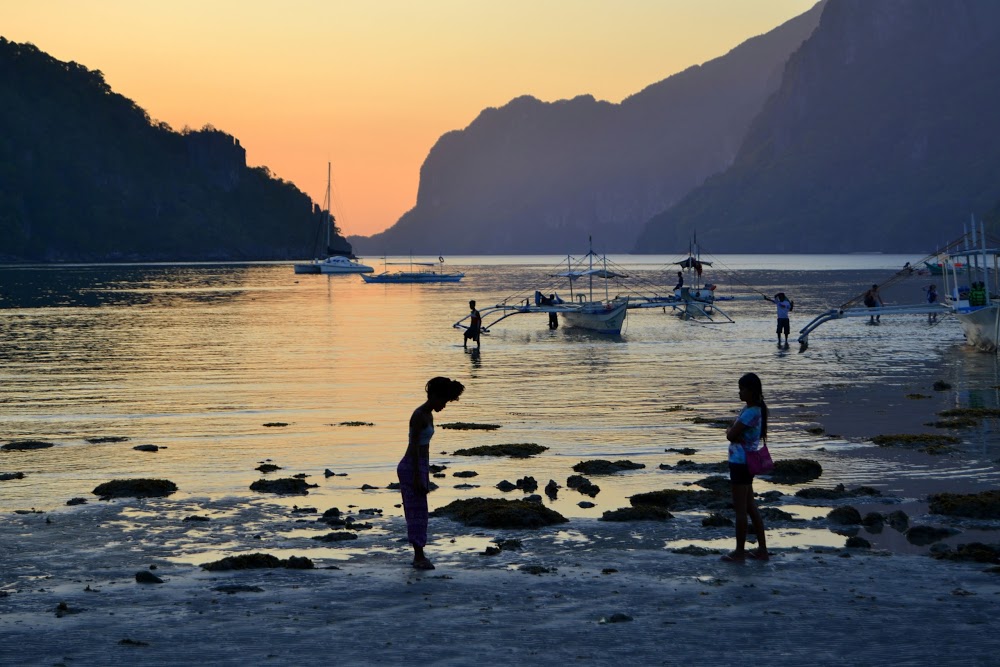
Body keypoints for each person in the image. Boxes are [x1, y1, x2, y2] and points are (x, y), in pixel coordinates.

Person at [397, 376, 465, 570]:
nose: (444, 405)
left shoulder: (429, 415)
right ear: (434, 396)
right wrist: (418, 475)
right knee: (415, 513)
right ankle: (418, 556)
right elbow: (414, 446)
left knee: (422, 512)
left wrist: (426, 469)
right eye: (443, 401)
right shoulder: (418, 415)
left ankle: (420, 554)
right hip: (411, 466)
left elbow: (425, 448)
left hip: (420, 466)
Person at [722, 372, 769, 563]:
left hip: (741, 463)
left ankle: (739, 552)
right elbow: (734, 432)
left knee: (741, 510)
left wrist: (730, 431)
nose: (739, 392)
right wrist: (732, 431)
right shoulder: (755, 409)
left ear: (751, 390)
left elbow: (731, 434)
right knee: (750, 507)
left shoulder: (751, 411)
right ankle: (762, 550)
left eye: (742, 389)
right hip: (746, 463)